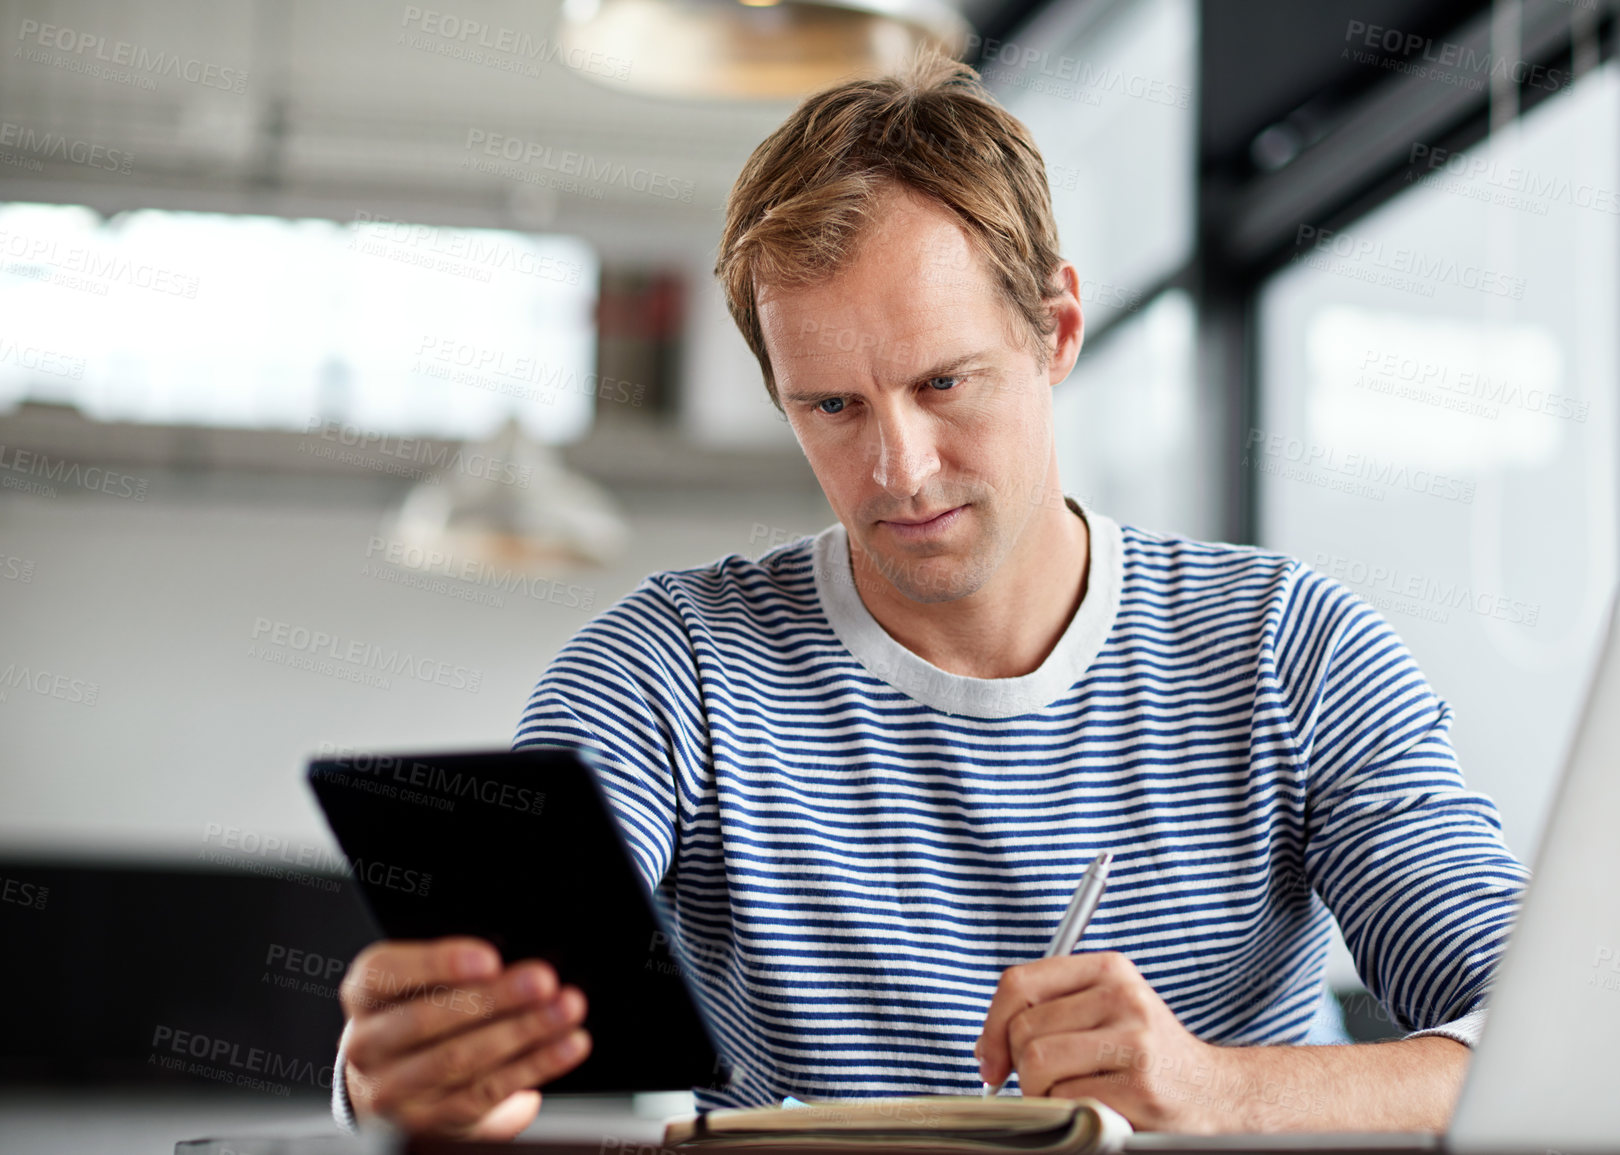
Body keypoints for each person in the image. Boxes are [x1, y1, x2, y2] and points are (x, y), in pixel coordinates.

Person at [329, 51, 1528, 1139]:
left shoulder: (1288, 650)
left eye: (945, 381)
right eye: (833, 407)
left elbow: (1534, 1045)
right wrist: (412, 1080)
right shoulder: (669, 669)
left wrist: (1216, 1091)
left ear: (1055, 329)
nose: (898, 471)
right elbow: (501, 1023)